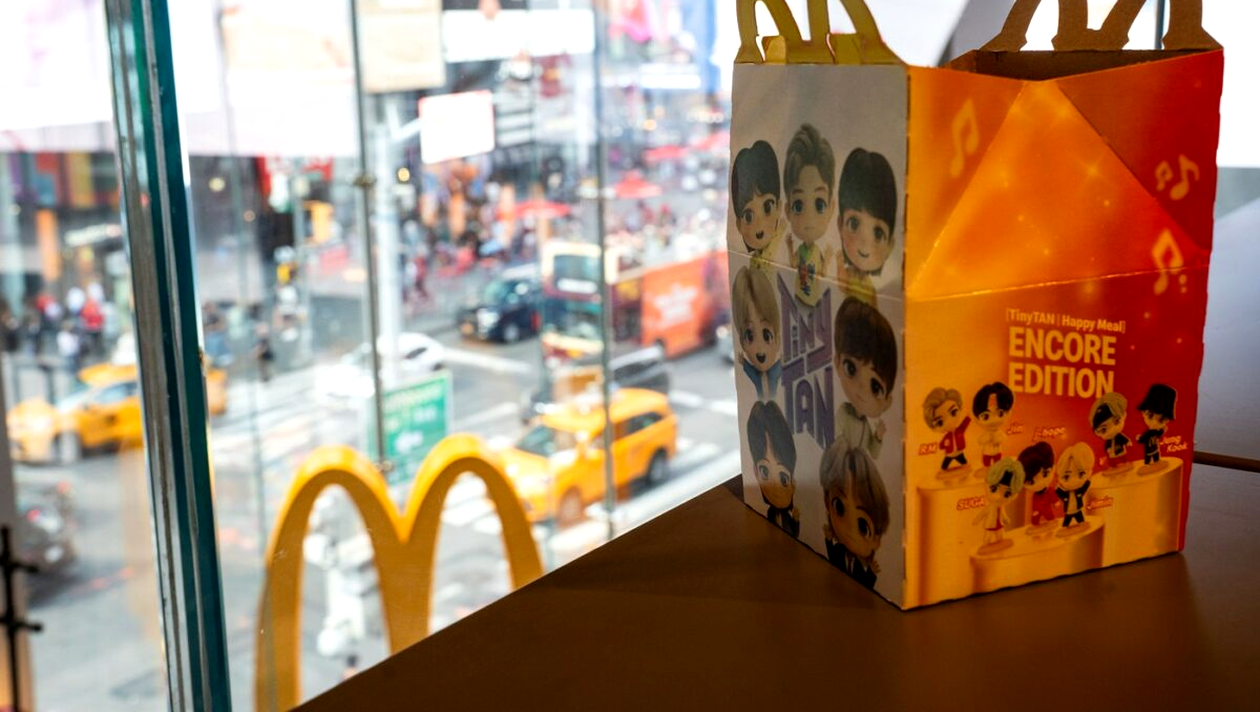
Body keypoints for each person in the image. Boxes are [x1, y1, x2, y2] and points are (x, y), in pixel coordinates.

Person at [819, 442, 890, 590]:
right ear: (827, 502)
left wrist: (871, 573)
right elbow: (831, 555)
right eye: (839, 507)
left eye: (863, 527)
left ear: (876, 540)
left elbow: (866, 583)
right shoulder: (838, 551)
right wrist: (828, 539)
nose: (849, 529)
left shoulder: (860, 566)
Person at [834, 297, 897, 459]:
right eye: (851, 368)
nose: (861, 388)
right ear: (837, 362)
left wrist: (878, 436)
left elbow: (874, 453)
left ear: (887, 402)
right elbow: (836, 438)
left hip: (862, 469)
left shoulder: (865, 426)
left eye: (875, 387)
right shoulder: (844, 413)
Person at [783, 123, 837, 307]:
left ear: (831, 208)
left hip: (815, 299)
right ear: (787, 211)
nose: (809, 220)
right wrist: (789, 247)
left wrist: (827, 259)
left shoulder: (816, 253)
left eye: (819, 204)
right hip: (798, 297)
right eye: (798, 205)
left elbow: (822, 273)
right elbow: (792, 264)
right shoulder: (802, 252)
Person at [835, 148, 898, 304]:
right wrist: (838, 263)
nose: (864, 244)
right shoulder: (850, 275)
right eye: (854, 224)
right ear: (840, 225)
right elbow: (842, 286)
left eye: (878, 233)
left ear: (890, 246)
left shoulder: (870, 287)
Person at [747, 401, 799, 537]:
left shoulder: (787, 517)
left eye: (783, 478)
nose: (775, 486)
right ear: (756, 473)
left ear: (793, 484)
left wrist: (796, 520)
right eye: (765, 471)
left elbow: (795, 532)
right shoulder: (768, 513)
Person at [730, 140, 783, 272]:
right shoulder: (752, 261)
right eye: (748, 216)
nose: (759, 225)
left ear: (779, 207)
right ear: (739, 225)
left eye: (767, 207)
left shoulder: (778, 252)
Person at [731, 267, 781, 400]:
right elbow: (751, 372)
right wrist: (744, 363)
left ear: (777, 339)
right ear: (742, 342)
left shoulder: (774, 373)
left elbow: (780, 366)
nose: (759, 347)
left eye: (766, 335)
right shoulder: (757, 377)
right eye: (750, 336)